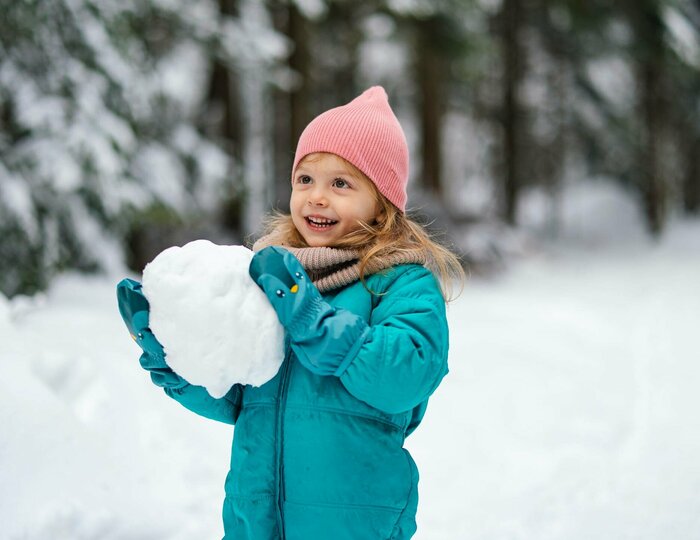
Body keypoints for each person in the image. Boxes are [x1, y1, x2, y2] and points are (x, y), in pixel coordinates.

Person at [116, 86, 465, 539]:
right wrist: (171, 355)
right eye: (305, 180)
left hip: (352, 526)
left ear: (382, 204)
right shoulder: (266, 276)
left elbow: (406, 376)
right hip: (255, 523)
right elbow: (237, 397)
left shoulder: (399, 281)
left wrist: (313, 319)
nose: (316, 197)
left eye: (340, 183)